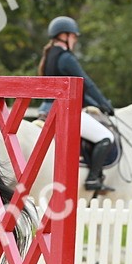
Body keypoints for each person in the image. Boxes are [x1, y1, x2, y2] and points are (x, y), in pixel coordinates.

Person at [37, 16, 118, 192]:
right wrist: (105, 104)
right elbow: (87, 84)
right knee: (106, 137)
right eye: (74, 36)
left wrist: (93, 103)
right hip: (64, 112)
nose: (75, 40)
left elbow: (77, 91)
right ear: (65, 36)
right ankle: (93, 179)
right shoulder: (66, 58)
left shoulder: (49, 55)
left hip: (45, 110)